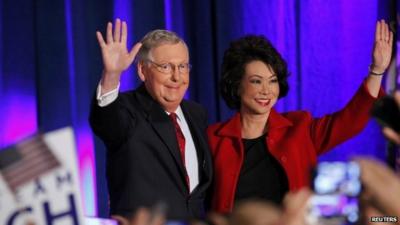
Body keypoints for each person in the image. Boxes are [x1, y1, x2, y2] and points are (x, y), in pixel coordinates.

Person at [207, 20, 392, 214]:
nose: (266, 91)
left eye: (272, 81)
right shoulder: (213, 138)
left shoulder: (299, 127)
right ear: (237, 85)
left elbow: (349, 121)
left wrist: (377, 71)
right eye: (256, 81)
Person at [89, 19, 213, 220]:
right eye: (166, 67)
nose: (177, 76)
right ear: (142, 70)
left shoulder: (197, 114)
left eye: (182, 66)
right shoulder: (127, 110)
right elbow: (107, 122)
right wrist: (112, 75)